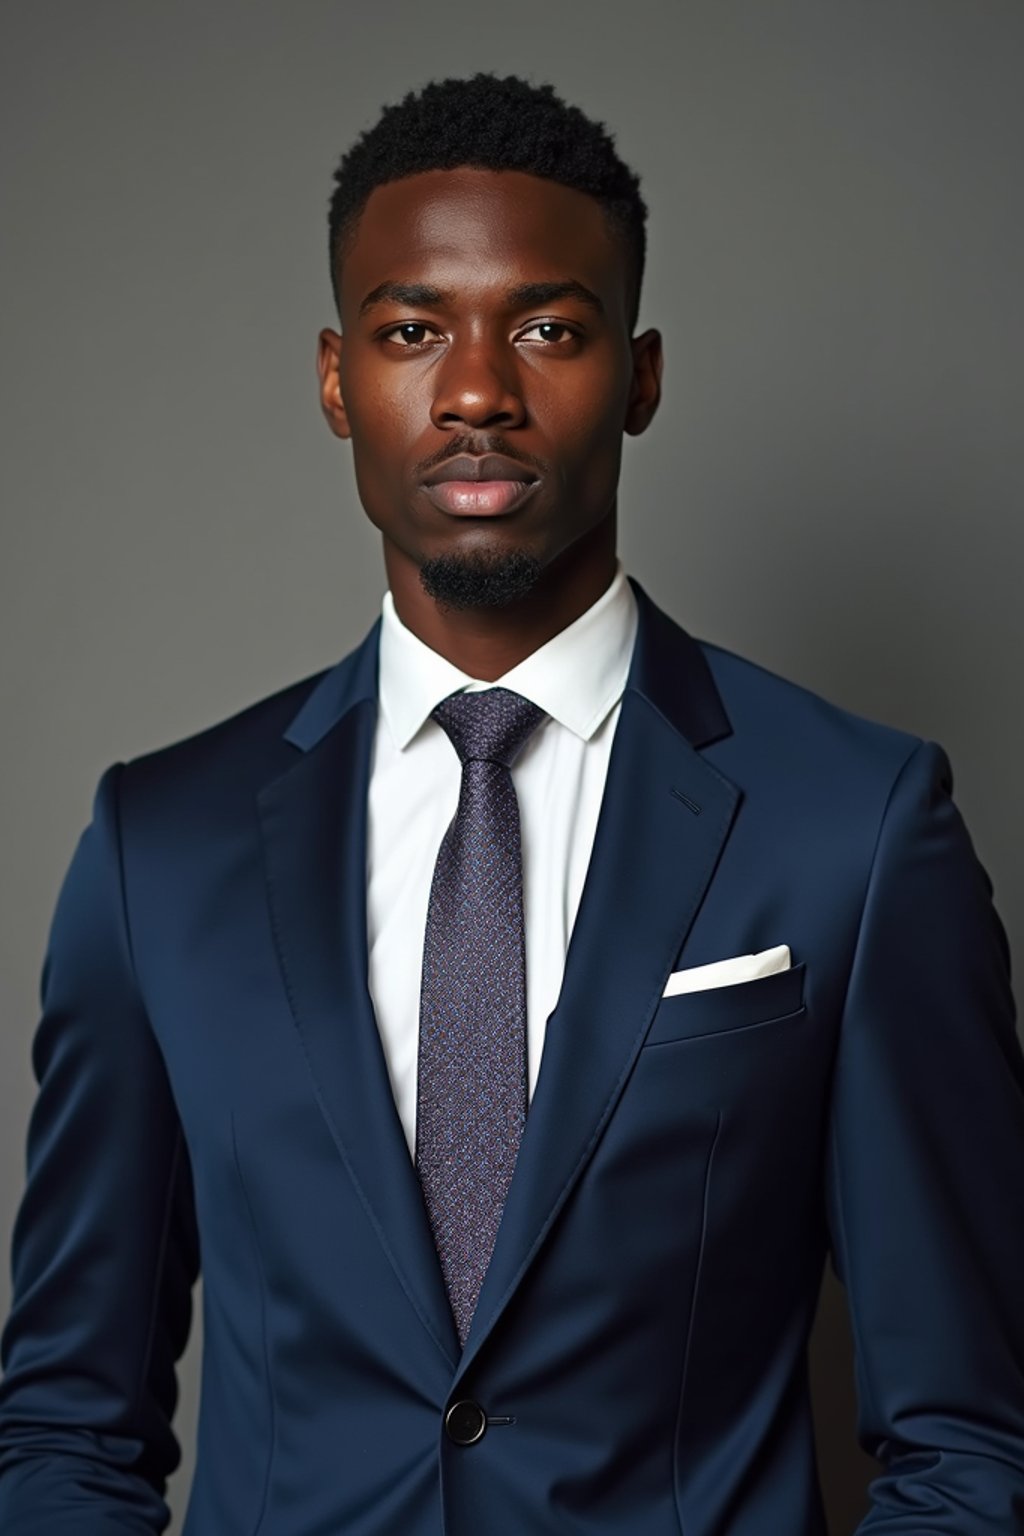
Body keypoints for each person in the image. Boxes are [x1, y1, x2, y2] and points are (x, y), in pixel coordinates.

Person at [1, 70, 1023, 1536]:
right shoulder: (158, 848)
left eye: (548, 328)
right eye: (414, 331)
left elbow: (971, 1440)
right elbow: (64, 1431)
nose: (478, 391)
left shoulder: (855, 827)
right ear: (337, 378)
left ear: (642, 374)